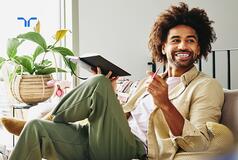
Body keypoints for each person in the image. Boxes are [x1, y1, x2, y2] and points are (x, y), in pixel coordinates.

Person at [0, 2, 225, 160]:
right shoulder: (150, 82)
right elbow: (124, 117)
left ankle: (51, 117)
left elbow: (200, 142)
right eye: (175, 40)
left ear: (199, 48)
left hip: (135, 149)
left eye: (191, 41)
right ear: (163, 47)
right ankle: (38, 123)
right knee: (38, 130)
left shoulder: (206, 86)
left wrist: (165, 103)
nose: (183, 46)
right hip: (102, 140)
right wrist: (111, 94)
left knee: (98, 84)